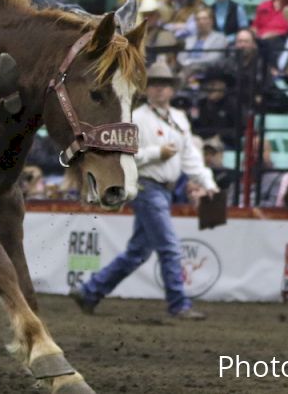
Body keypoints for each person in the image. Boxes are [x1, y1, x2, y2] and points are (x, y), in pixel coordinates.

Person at [70, 61, 217, 319]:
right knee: (169, 246)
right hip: (148, 187)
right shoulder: (137, 119)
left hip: (161, 189)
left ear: (171, 90)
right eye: (156, 85)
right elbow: (125, 156)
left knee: (138, 252)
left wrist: (208, 183)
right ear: (148, 89)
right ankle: (178, 304)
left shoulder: (178, 119)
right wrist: (156, 153)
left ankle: (90, 291)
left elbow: (191, 157)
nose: (160, 90)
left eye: (164, 85)